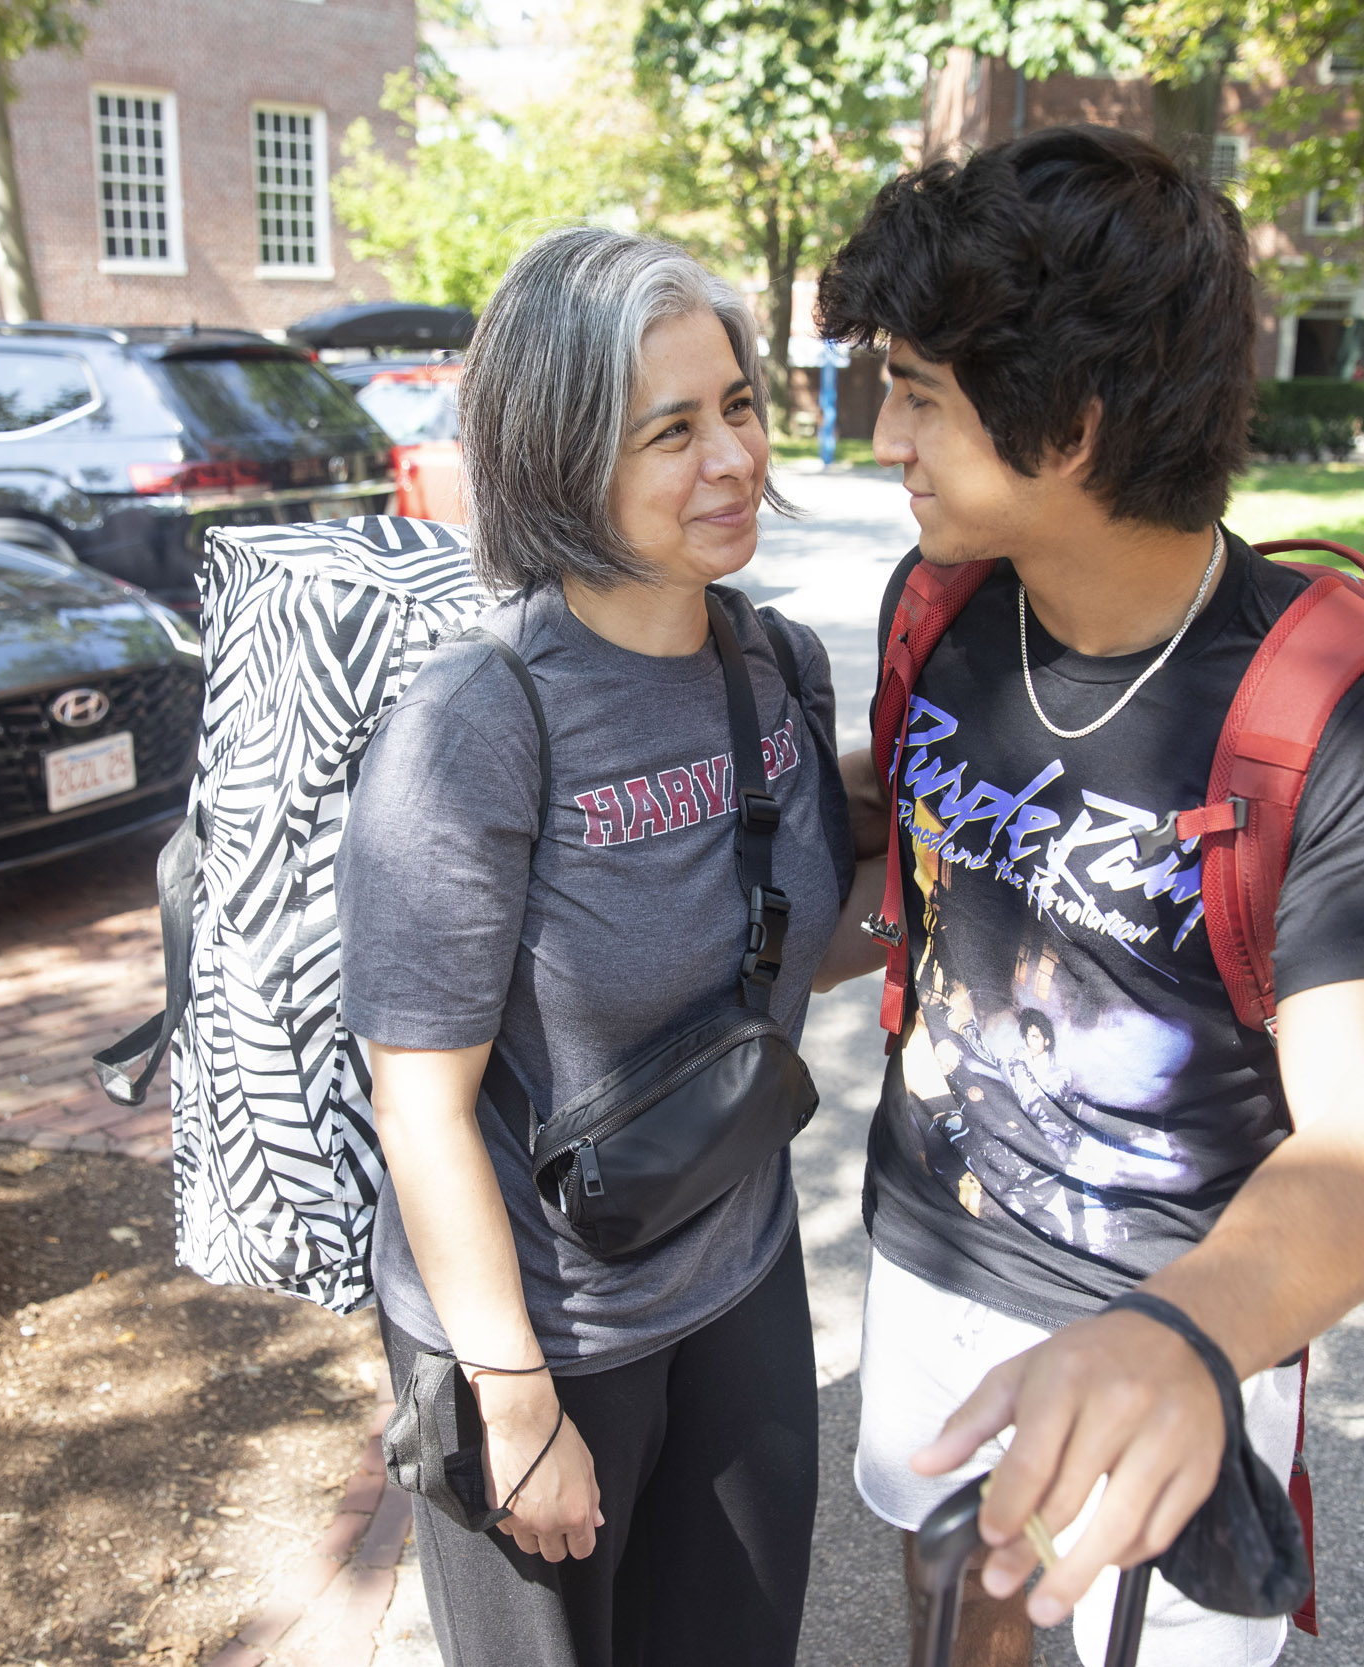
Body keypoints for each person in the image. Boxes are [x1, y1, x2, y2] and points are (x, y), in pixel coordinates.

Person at [809, 125, 1364, 1666]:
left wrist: (1180, 1337)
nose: (883, 436)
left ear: (1077, 421)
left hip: (1180, 1318)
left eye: (916, 392)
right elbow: (904, 857)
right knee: (950, 1608)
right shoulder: (947, 603)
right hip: (934, 1252)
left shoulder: (1337, 708)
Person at [337, 226, 851, 1667]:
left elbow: (785, 946)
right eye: (671, 431)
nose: (734, 458)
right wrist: (514, 1403)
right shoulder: (479, 725)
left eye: (739, 406)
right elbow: (419, 1100)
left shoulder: (774, 668)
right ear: (566, 458)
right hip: (539, 1326)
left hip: (739, 1267)